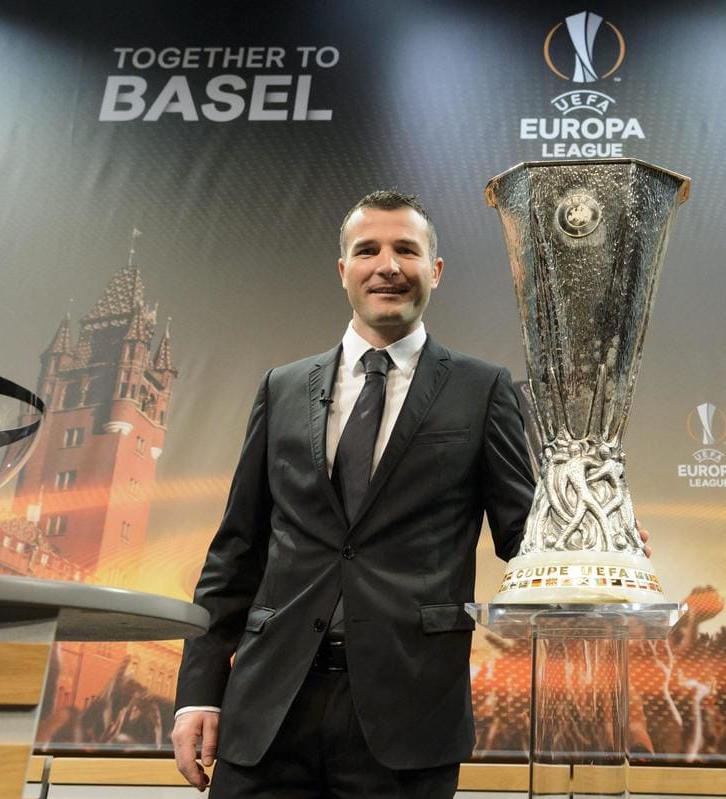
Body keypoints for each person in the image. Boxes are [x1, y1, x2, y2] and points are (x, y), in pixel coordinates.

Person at [171, 190, 538, 797]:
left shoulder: (483, 389)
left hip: (408, 715)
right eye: (368, 250)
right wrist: (199, 693)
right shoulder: (282, 388)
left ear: (435, 270)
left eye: (406, 251)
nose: (387, 266)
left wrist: (592, 545)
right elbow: (236, 550)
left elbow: (523, 534)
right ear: (344, 270)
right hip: (266, 710)